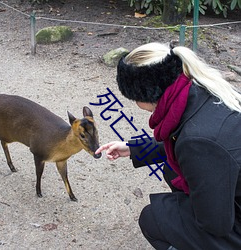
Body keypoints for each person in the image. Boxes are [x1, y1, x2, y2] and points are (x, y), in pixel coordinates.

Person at [95, 42, 241, 250]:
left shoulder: (198, 142)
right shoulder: (199, 88)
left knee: (153, 218)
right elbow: (182, 137)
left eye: (134, 97)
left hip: (232, 222)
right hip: (232, 188)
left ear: (146, 93)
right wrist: (133, 148)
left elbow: (216, 224)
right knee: (172, 171)